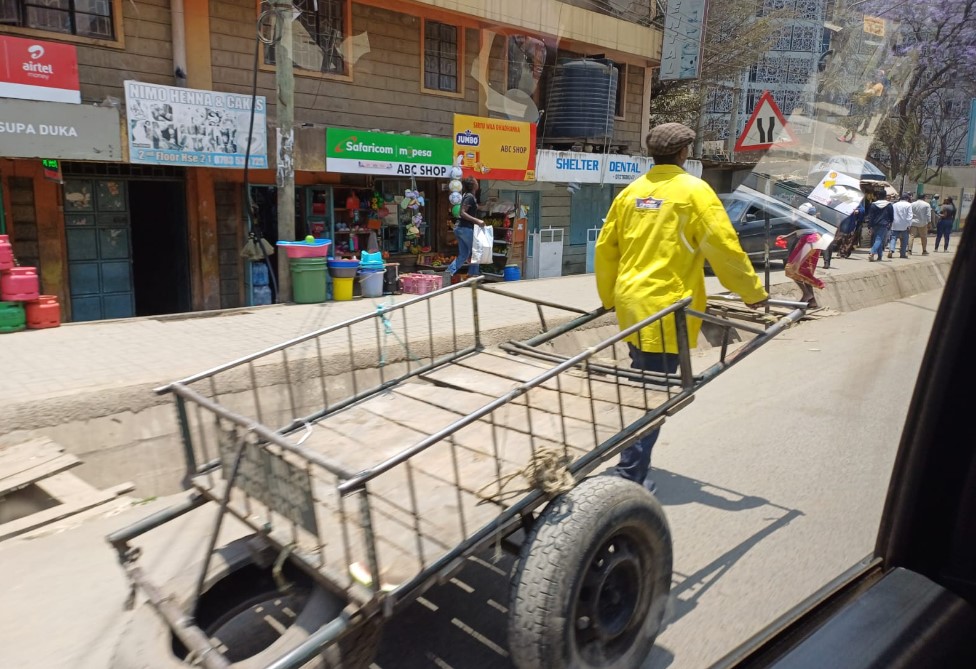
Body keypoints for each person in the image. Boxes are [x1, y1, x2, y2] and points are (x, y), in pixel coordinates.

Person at [594, 122, 768, 493]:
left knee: (642, 382)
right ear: (683, 153)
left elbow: (606, 249)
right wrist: (752, 292)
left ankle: (629, 463)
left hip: (631, 303)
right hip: (666, 308)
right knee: (653, 397)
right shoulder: (694, 192)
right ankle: (629, 478)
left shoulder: (632, 193)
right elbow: (723, 246)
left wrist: (609, 298)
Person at [446, 177, 484, 278]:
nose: (477, 183)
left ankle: (448, 273)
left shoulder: (469, 196)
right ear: (473, 185)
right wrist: (477, 220)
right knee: (477, 250)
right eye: (476, 181)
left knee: (464, 254)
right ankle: (473, 276)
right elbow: (462, 212)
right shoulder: (469, 197)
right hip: (465, 228)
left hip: (461, 228)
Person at [784, 229, 826, 308]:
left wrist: (787, 236)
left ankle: (807, 294)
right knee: (805, 272)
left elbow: (801, 229)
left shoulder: (802, 217)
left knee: (791, 269)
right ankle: (812, 301)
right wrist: (787, 236)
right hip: (814, 240)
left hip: (809, 240)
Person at [866, 187, 893, 262]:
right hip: (884, 224)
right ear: (885, 196)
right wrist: (890, 223)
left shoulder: (873, 205)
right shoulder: (889, 205)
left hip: (875, 224)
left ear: (878, 196)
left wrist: (869, 226)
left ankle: (880, 256)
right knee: (879, 239)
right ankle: (872, 252)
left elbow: (870, 216)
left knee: (877, 240)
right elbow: (891, 216)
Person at [887, 193, 912, 259]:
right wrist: (909, 225)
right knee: (904, 239)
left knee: (893, 238)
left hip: (895, 224)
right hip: (904, 225)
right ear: (907, 199)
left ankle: (891, 250)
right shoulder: (909, 205)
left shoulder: (894, 205)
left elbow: (891, 214)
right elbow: (910, 216)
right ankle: (902, 254)